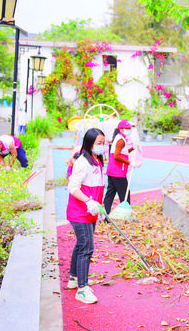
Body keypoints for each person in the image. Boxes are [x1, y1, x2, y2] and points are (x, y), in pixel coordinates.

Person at [66, 127, 106, 304]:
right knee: (86, 248)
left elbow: (97, 187)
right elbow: (72, 186)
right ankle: (82, 289)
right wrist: (89, 202)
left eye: (104, 143)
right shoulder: (83, 162)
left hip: (91, 212)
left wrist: (100, 206)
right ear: (89, 143)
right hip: (80, 212)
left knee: (81, 245)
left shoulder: (97, 161)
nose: (101, 147)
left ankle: (74, 278)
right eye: (98, 143)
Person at [103, 120, 136, 215]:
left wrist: (132, 148)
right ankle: (126, 215)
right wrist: (129, 162)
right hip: (118, 172)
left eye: (130, 128)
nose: (129, 130)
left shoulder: (120, 138)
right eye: (127, 128)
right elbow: (116, 156)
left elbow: (123, 153)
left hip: (112, 171)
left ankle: (105, 216)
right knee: (125, 194)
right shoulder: (121, 140)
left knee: (110, 194)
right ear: (121, 129)